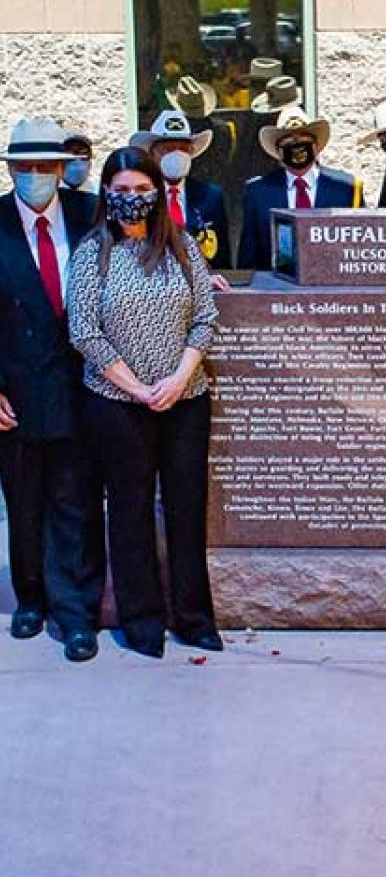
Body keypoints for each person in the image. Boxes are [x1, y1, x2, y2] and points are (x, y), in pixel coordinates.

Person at [68, 146, 222, 658]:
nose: (131, 198)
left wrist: (179, 378)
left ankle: (194, 618)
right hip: (117, 403)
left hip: (185, 398)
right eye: (121, 190)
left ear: (157, 191)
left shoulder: (181, 245)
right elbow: (84, 330)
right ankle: (142, 621)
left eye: (141, 189)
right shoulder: (92, 252)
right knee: (129, 510)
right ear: (106, 193)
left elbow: (205, 318)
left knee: (186, 507)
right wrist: (136, 387)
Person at [0, 118, 103, 662]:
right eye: (26, 166)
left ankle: (76, 612)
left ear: (63, 169)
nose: (36, 174)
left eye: (46, 165)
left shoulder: (91, 214)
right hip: (15, 389)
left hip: (82, 385)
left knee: (75, 500)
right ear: (12, 169)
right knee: (23, 501)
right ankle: (30, 598)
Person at [237, 106, 365, 270]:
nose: (297, 146)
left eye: (304, 139)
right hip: (275, 283)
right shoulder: (258, 192)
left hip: (332, 281)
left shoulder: (346, 188)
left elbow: (359, 251)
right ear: (278, 152)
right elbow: (248, 261)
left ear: (316, 146)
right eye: (289, 142)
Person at [130, 110, 232, 273]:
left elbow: (223, 260)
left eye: (183, 149)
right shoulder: (140, 197)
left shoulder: (211, 196)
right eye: (168, 149)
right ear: (152, 153)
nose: (177, 155)